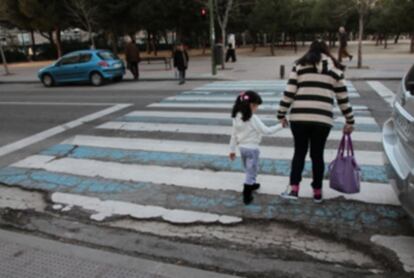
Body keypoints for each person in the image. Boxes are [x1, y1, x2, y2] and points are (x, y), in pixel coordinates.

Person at [277, 40, 355, 204]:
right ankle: (317, 192)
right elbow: (343, 98)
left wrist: (281, 114)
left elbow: (289, 92)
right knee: (317, 155)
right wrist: (349, 120)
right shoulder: (336, 69)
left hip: (299, 117)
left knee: (299, 153)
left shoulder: (299, 66)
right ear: (327, 51)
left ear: (310, 51)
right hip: (322, 119)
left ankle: (294, 189)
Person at [229, 91, 282, 205]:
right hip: (252, 149)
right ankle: (247, 193)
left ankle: (252, 184)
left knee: (248, 169)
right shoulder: (252, 118)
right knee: (251, 171)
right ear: (251, 105)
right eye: (256, 106)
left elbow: (233, 135)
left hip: (242, 149)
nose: (256, 109)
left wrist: (232, 150)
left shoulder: (236, 116)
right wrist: (281, 125)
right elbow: (267, 131)